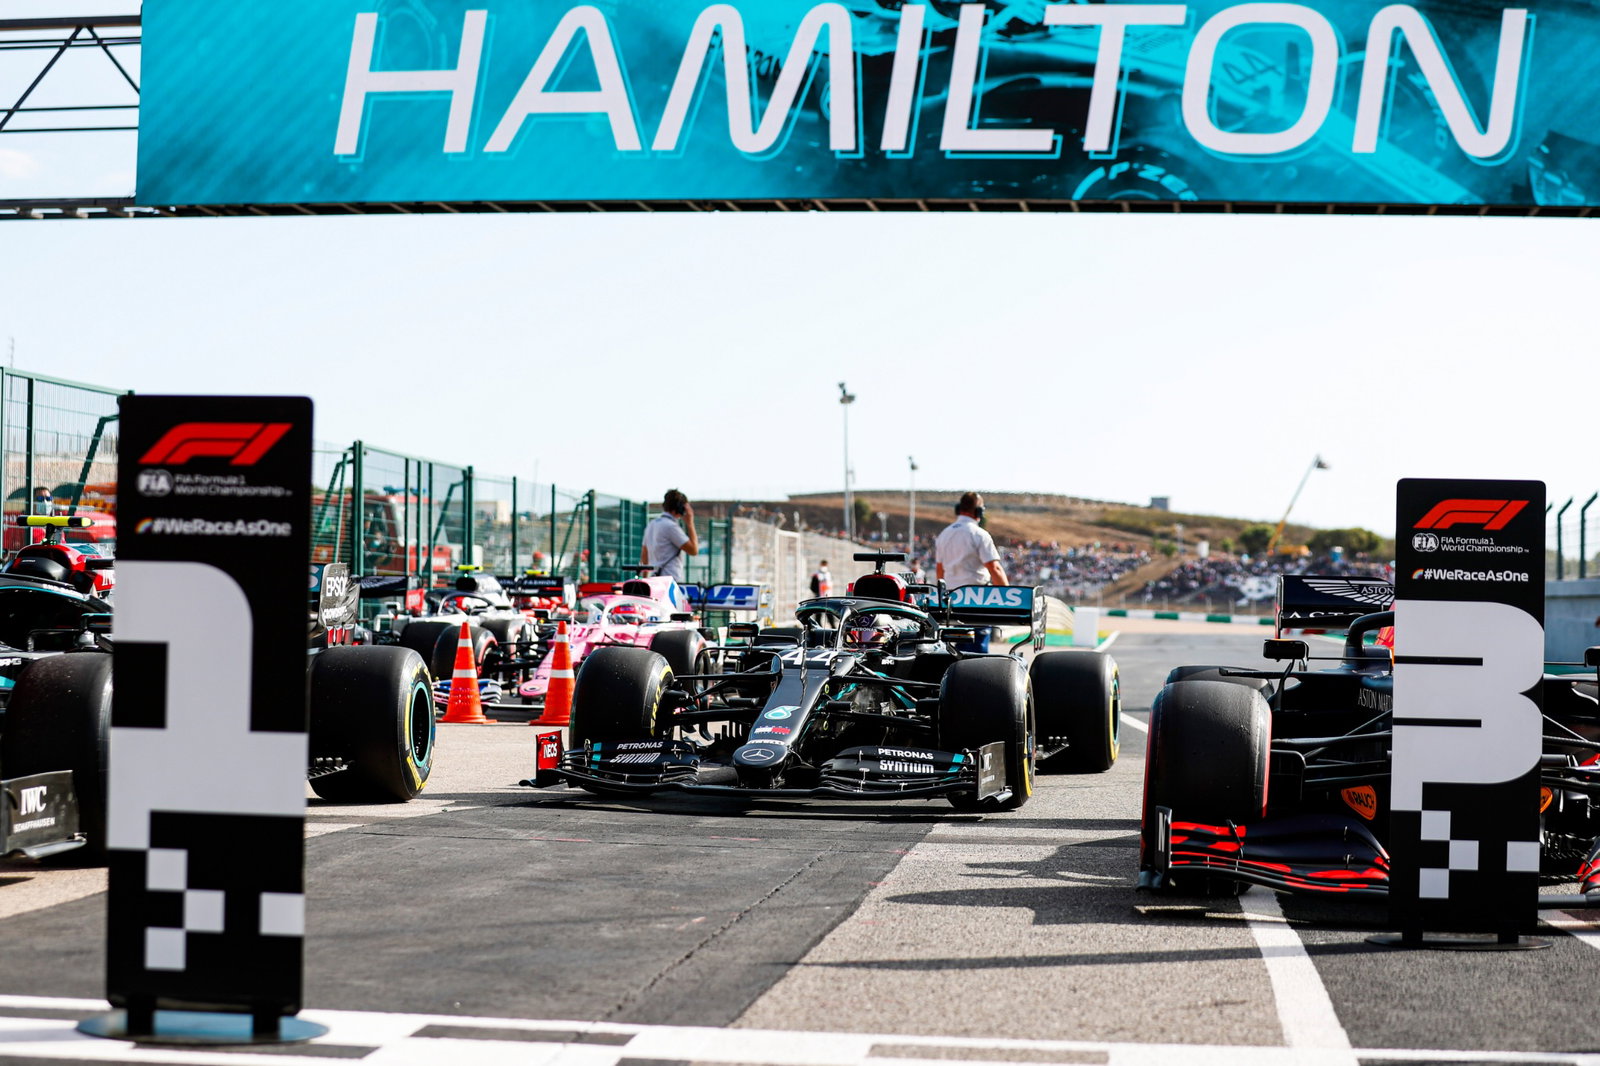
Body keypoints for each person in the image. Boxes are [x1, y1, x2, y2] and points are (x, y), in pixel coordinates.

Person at [935, 492, 1007, 589]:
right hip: (976, 596)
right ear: (979, 511)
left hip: (951, 595)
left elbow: (940, 569)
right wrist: (1007, 595)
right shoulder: (979, 534)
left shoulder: (943, 534)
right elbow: (994, 568)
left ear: (958, 509)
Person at [640, 489, 698, 582]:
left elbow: (644, 555)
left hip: (654, 579)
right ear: (680, 508)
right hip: (670, 580)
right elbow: (693, 550)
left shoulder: (652, 524)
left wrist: (644, 579)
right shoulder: (671, 527)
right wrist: (690, 523)